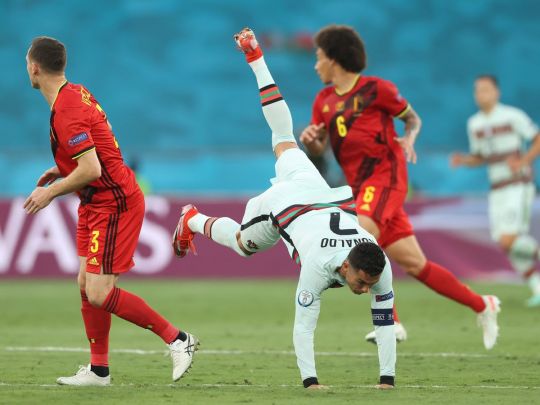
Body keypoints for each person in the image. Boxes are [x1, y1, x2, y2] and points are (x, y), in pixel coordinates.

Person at [174, 28, 397, 389]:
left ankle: (255, 56)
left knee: (283, 138)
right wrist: (311, 383)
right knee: (243, 245)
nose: (363, 289)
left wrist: (387, 380)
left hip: (318, 192)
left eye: (367, 284)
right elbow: (304, 327)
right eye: (360, 282)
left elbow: (384, 322)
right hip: (285, 205)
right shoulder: (318, 267)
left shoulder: (378, 266)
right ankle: (193, 219)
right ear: (345, 267)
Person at [299, 25, 500, 349]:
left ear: (334, 58)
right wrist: (312, 141)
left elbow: (412, 118)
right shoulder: (323, 100)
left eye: (319, 57)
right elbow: (320, 145)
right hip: (359, 186)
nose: (315, 64)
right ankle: (483, 305)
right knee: (415, 264)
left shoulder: (377, 89)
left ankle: (390, 322)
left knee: (362, 235)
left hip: (386, 176)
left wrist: (409, 138)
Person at [24, 36, 198, 386]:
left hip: (113, 201)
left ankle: (179, 339)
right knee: (85, 284)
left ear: (34, 68)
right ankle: (99, 370)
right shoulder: (75, 93)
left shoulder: (67, 109)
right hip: (94, 200)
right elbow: (97, 145)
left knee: (100, 292)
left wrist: (51, 192)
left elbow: (92, 169)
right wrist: (63, 167)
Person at [451, 75, 540, 307]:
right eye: (477, 90)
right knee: (504, 243)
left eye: (486, 89)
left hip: (517, 184)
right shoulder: (474, 123)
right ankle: (537, 288)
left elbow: (537, 138)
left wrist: (524, 161)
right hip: (497, 188)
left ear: (496, 92)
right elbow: (480, 157)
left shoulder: (512, 115)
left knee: (509, 239)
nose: (481, 94)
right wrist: (463, 160)